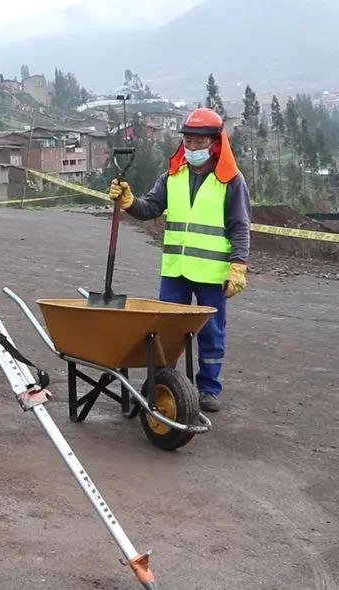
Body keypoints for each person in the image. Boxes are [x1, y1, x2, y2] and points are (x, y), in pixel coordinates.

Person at [108, 107, 250, 413]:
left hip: (211, 273)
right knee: (164, 332)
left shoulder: (231, 181)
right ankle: (161, 386)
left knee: (211, 333)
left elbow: (240, 226)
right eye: (188, 140)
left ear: (215, 142)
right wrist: (130, 201)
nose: (193, 147)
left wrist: (238, 266)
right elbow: (150, 208)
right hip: (175, 271)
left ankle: (208, 389)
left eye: (200, 141)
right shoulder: (172, 176)